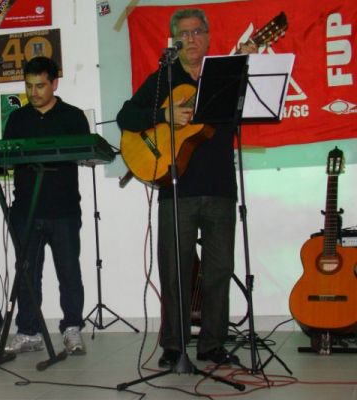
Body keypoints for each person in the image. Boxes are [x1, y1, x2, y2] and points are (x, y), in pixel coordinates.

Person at [117, 8, 256, 368]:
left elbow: (243, 115)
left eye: (197, 32)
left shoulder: (223, 75)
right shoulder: (164, 77)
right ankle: (174, 346)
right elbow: (126, 116)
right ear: (174, 41)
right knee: (174, 270)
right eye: (184, 34)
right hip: (176, 187)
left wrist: (245, 68)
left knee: (219, 269)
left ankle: (212, 345)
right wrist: (164, 115)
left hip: (220, 185)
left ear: (208, 37)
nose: (191, 39)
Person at [3, 56, 89, 355]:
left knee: (69, 271)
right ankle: (28, 332)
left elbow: (84, 152)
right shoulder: (17, 119)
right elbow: (7, 158)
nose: (33, 92)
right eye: (29, 86)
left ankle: (72, 328)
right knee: (27, 273)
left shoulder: (73, 116)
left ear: (54, 83)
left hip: (64, 209)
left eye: (40, 86)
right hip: (25, 209)